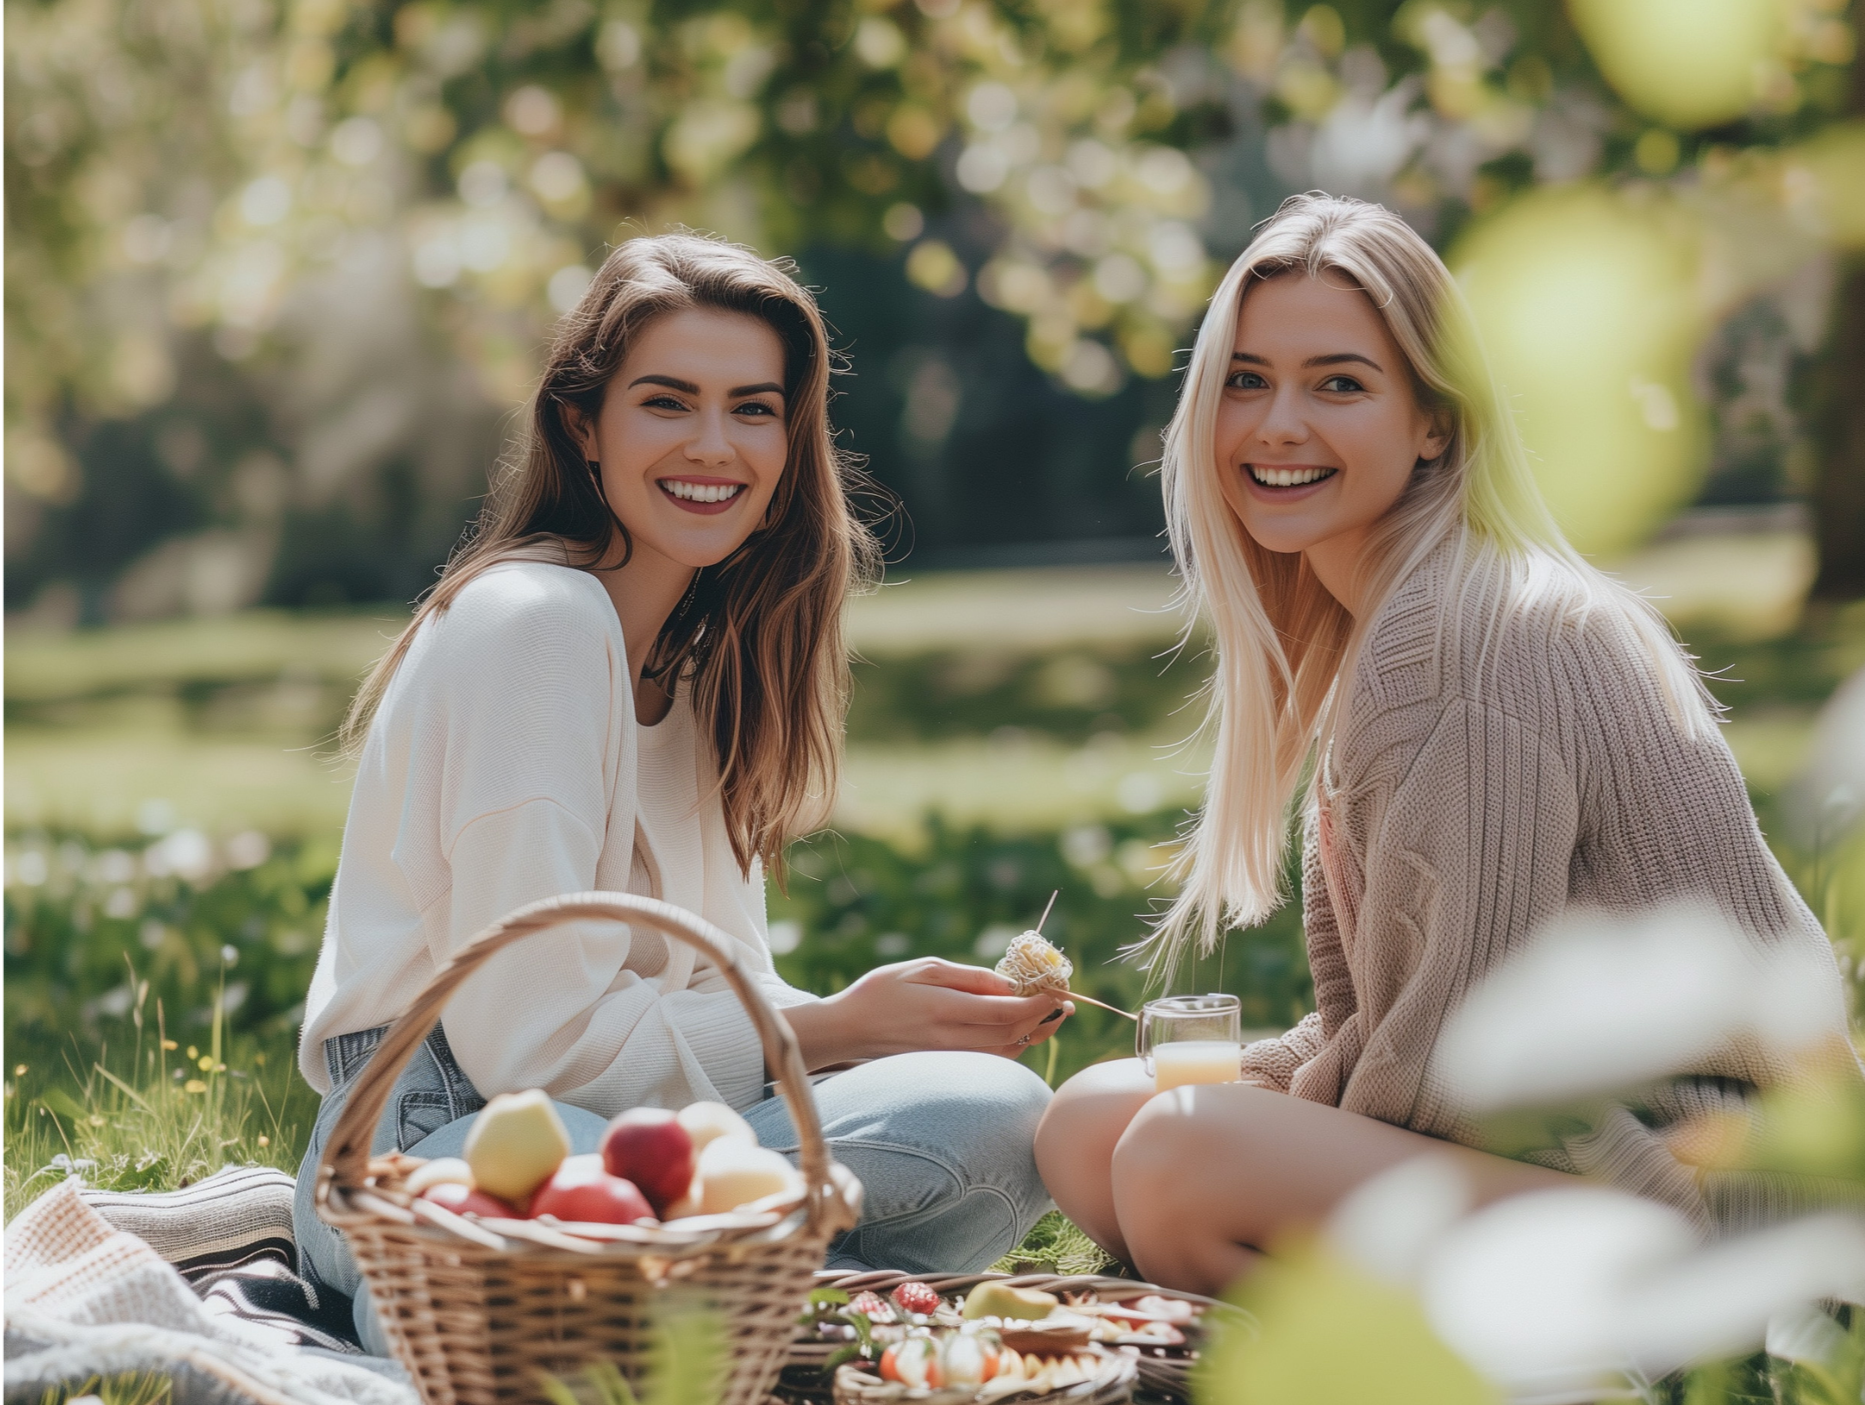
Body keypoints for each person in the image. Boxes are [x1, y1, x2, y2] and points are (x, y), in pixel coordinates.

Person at [1033, 194, 1854, 1297]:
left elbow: (1456, 1078)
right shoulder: (1406, 610)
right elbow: (1390, 1022)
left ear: (1432, 418)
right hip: (1568, 1138)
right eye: (1245, 378)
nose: (1276, 423)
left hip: (1703, 1195)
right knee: (1093, 1122)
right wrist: (1273, 1085)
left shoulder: (1464, 649)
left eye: (1337, 383)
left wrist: (1248, 1123)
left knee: (1176, 1157)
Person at [292, 233, 1063, 1349]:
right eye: (668, 402)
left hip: (653, 1143)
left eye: (753, 409)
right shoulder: (534, 624)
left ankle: (686, 1313)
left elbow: (712, 988)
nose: (716, 445)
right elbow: (534, 1047)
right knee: (569, 1211)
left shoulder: (701, 672)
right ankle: (699, 1308)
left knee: (995, 1120)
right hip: (451, 1131)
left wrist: (875, 1027)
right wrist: (834, 1028)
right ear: (582, 427)